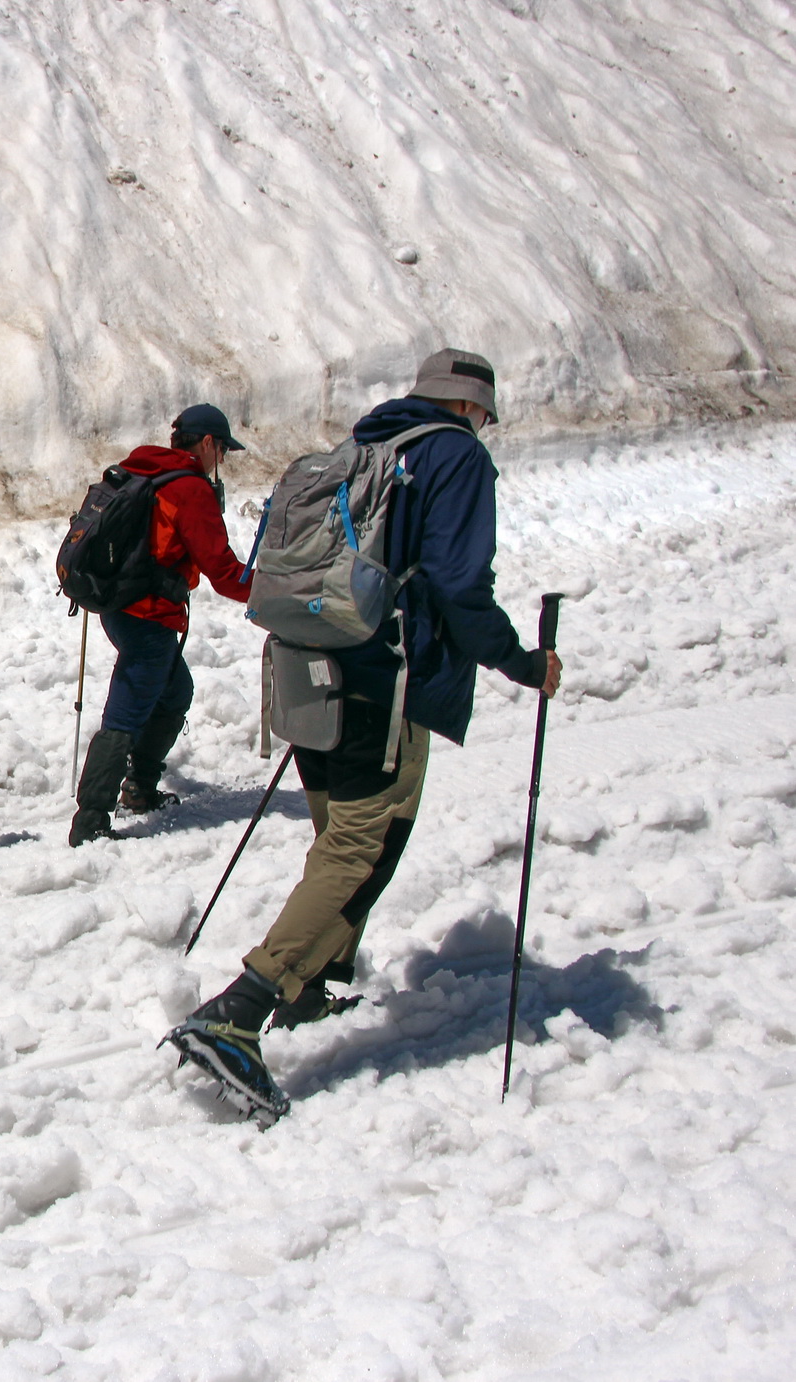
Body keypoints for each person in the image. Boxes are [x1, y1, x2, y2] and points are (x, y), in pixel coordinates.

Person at [165, 349, 566, 1124]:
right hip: (384, 676)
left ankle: (308, 984)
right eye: (485, 416)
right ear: (473, 409)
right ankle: (241, 1010)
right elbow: (456, 582)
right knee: (363, 841)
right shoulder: (454, 457)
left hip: (309, 663)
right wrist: (518, 660)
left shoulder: (365, 448)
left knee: (340, 834)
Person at [70, 404, 252, 846]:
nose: (221, 459)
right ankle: (91, 818)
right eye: (222, 448)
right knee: (127, 712)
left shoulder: (141, 470)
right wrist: (273, 590)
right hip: (148, 615)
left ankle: (139, 788)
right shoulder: (189, 489)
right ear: (208, 442)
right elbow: (223, 571)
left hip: (118, 606)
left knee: (174, 691)